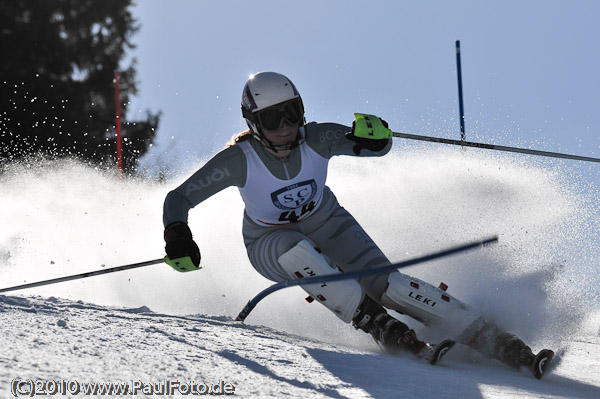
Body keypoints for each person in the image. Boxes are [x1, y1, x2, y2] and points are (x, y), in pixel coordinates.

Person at [162, 72, 553, 376]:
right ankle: (382, 327)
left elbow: (371, 144)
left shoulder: (317, 137)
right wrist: (177, 233)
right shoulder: (239, 159)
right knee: (300, 254)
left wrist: (376, 135)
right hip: (269, 240)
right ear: (253, 122)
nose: (284, 126)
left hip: (325, 219)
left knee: (391, 284)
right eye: (271, 118)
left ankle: (496, 340)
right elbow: (177, 198)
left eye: (292, 113)